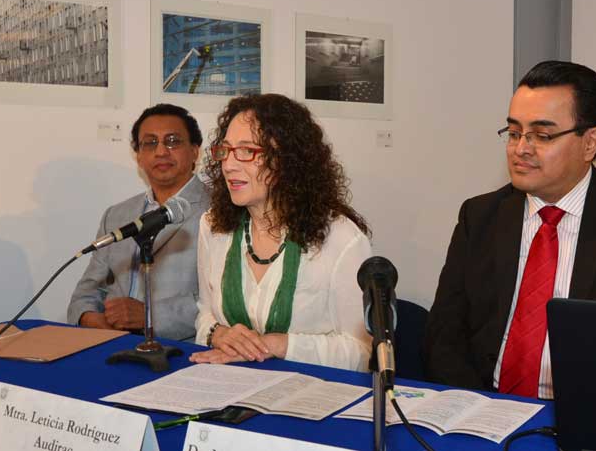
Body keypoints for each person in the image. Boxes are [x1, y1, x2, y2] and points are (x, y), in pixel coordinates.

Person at [424, 60, 596, 399]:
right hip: (484, 405)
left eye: (542, 135)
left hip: (591, 413)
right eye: (514, 132)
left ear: (590, 143)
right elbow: (444, 334)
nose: (521, 148)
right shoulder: (479, 216)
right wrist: (477, 407)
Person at [189, 93, 372, 371]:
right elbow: (205, 314)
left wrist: (278, 345)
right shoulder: (213, 226)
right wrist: (218, 334)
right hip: (230, 383)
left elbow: (363, 352)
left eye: (247, 151)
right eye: (225, 150)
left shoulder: (341, 239)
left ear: (286, 159)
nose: (228, 165)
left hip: (312, 390)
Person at [67, 104, 209, 341]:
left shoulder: (220, 211)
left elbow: (225, 302)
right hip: (112, 345)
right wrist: (93, 320)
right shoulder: (117, 215)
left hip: (182, 350)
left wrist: (149, 316)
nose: (161, 151)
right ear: (139, 156)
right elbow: (87, 292)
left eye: (172, 141)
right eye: (150, 143)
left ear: (195, 151)